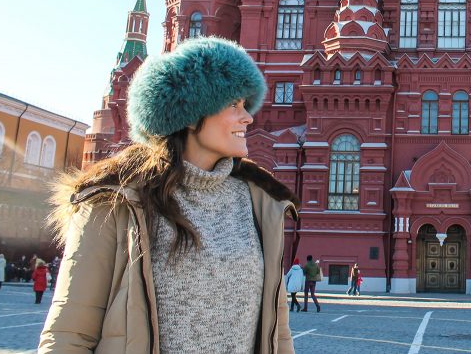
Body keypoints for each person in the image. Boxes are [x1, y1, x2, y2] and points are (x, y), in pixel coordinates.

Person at [36, 36, 298, 354]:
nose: (248, 117)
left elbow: (277, 333)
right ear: (188, 114)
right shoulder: (115, 202)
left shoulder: (261, 204)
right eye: (233, 104)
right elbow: (70, 333)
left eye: (246, 104)